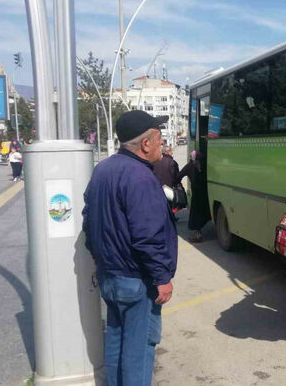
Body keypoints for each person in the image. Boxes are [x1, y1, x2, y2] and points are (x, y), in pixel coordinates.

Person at [82, 110, 178, 386]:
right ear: (146, 144)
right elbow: (147, 237)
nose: (162, 144)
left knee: (116, 339)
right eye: (159, 139)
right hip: (137, 281)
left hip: (110, 276)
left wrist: (102, 259)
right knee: (140, 349)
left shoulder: (103, 169)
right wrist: (162, 278)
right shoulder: (141, 177)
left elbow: (90, 223)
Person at [178, 150, 211, 243]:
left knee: (196, 213)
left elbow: (179, 175)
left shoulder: (190, 166)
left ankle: (198, 234)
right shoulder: (205, 165)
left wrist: (177, 183)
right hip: (206, 193)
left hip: (196, 194)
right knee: (204, 211)